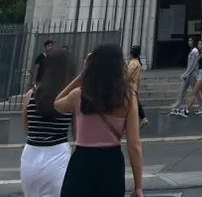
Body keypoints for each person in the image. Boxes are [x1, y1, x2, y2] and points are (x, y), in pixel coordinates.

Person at [54, 43, 143, 197]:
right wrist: (138, 187)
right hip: (111, 163)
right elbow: (134, 145)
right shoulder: (128, 98)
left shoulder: (79, 95)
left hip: (82, 161)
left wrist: (81, 76)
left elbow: (57, 103)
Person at [20, 49, 74, 197]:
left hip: (30, 154)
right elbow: (77, 133)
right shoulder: (69, 97)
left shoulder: (30, 95)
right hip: (57, 153)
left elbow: (26, 130)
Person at [170, 37, 199, 117]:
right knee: (183, 90)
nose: (189, 42)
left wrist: (185, 74)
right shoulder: (192, 51)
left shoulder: (194, 51)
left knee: (195, 91)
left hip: (192, 75)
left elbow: (192, 65)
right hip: (189, 74)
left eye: (191, 40)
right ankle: (178, 104)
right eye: (189, 40)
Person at [186, 39, 202, 116]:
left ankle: (187, 110)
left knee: (194, 92)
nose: (199, 45)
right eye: (198, 44)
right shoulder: (200, 53)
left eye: (200, 44)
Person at [127, 46, 149, 128]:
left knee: (130, 105)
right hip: (134, 86)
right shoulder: (138, 63)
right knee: (135, 103)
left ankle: (131, 123)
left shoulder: (133, 64)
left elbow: (127, 75)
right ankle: (143, 118)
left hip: (130, 86)